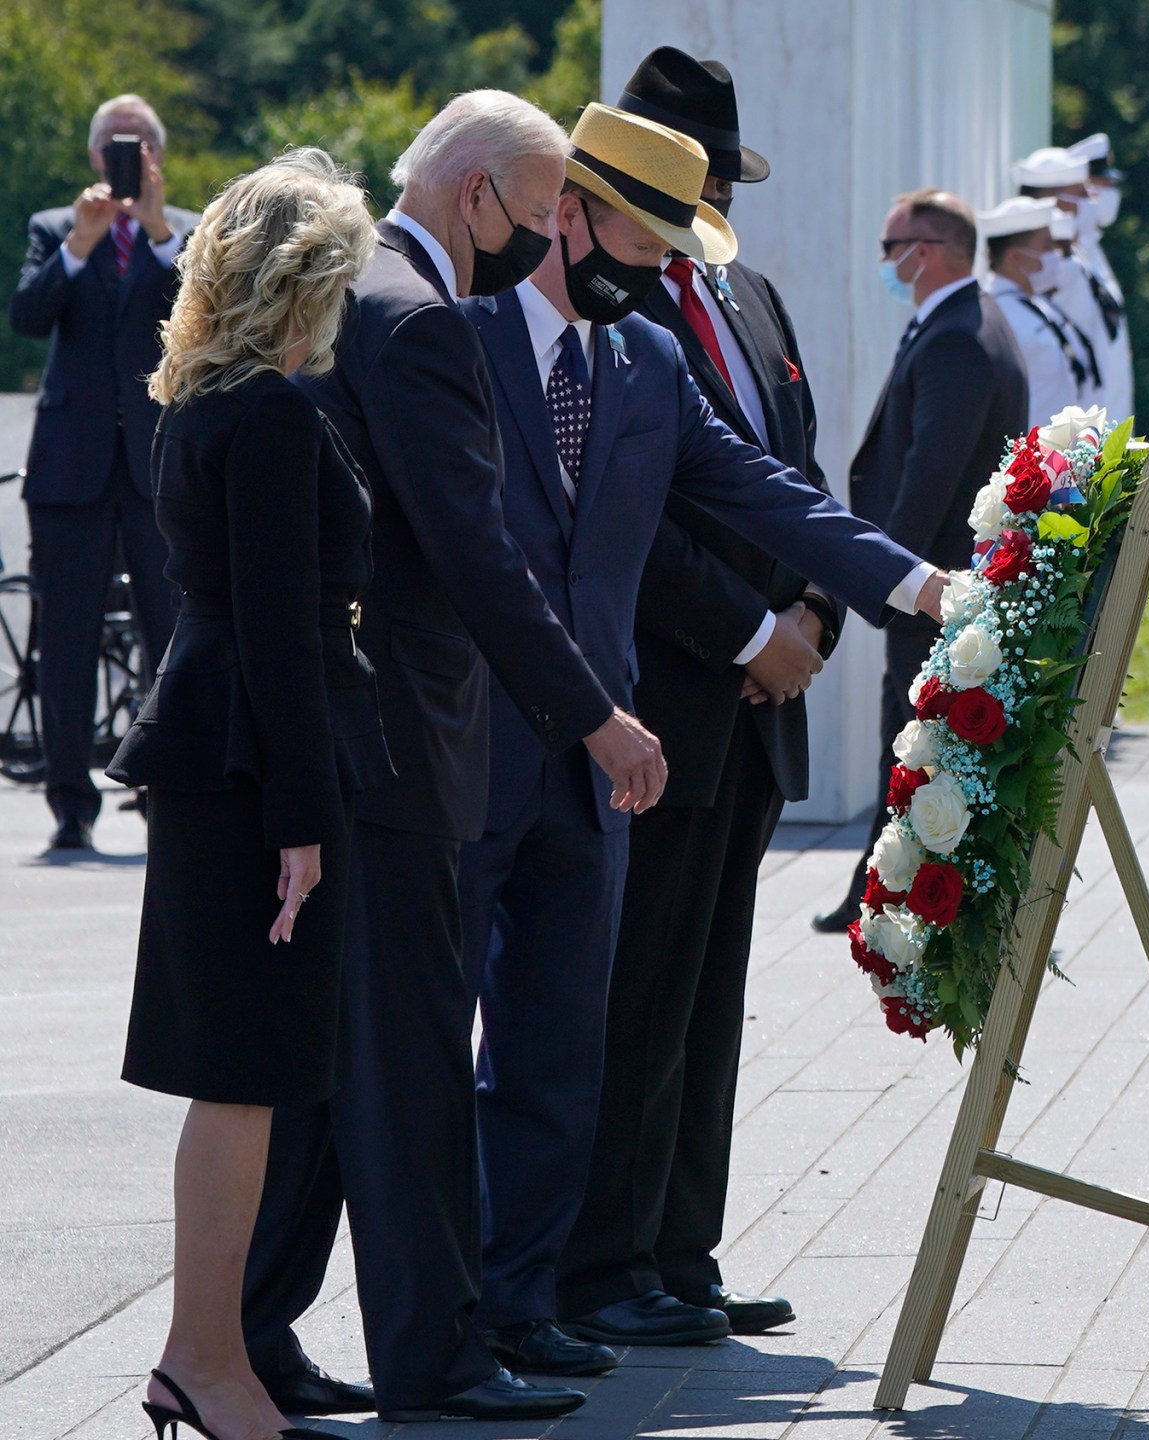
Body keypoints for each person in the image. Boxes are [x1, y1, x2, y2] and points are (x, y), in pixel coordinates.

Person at [466, 103, 945, 1368]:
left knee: (584, 1030)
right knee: (485, 1045)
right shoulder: (463, 335)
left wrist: (914, 587)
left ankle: (537, 1299)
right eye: (644, 232)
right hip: (495, 744)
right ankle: (481, 1305)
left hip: (613, 745)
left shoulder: (644, 359)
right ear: (568, 210)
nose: (658, 264)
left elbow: (769, 489)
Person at [240, 91, 670, 1428]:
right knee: (417, 1067)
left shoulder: (349, 291)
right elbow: (474, 554)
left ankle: (251, 1330)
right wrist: (595, 713)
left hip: (348, 734)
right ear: (474, 193)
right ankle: (434, 1354)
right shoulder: (419, 319)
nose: (541, 243)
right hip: (408, 745)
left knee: (332, 1059)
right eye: (539, 215)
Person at [103, 148, 381, 1440]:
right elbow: (283, 636)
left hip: (215, 753)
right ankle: (204, 1364)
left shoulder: (200, 402)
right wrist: (304, 826)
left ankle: (200, 1357)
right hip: (247, 767)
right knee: (245, 1078)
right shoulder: (266, 413)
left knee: (244, 1077)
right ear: (305, 280)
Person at [593, 43, 827, 1344]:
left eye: (720, 172)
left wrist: (814, 614)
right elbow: (634, 518)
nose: (711, 194)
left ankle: (683, 1246)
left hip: (755, 702)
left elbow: (800, 465)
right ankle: (605, 1258)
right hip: (668, 688)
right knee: (635, 985)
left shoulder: (746, 297)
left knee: (706, 984)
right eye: (691, 168)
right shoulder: (616, 307)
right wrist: (745, 631)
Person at [810, 189, 1026, 933]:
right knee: (908, 740)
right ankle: (877, 887)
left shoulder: (958, 336)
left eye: (889, 247)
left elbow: (929, 473)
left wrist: (883, 575)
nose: (886, 263)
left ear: (924, 252)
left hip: (929, 583)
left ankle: (887, 895)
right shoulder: (959, 324)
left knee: (909, 743)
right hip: (931, 581)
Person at [8, 94, 194, 851]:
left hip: (157, 468)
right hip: (71, 468)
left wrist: (155, 232)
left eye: (142, 143)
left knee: (175, 637)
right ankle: (68, 801)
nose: (129, 155)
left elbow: (206, 313)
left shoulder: (184, 230)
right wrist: (79, 247)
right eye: (118, 144)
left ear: (159, 154)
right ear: (94, 156)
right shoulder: (55, 228)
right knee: (66, 639)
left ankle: (169, 791)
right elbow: (25, 314)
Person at [1018, 143, 1131, 422]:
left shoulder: (1084, 256)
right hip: (1061, 439)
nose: (1094, 199)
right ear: (1054, 201)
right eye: (1083, 192)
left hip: (1096, 431)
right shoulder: (1045, 269)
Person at [980, 196, 1100, 429]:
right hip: (1029, 460)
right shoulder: (996, 317)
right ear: (1014, 256)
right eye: (1047, 246)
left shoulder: (1039, 307)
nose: (1056, 254)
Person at [1063, 132, 1135, 421]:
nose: (1103, 197)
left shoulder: (1094, 253)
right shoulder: (1063, 262)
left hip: (1107, 424)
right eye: (1093, 188)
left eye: (1109, 186)